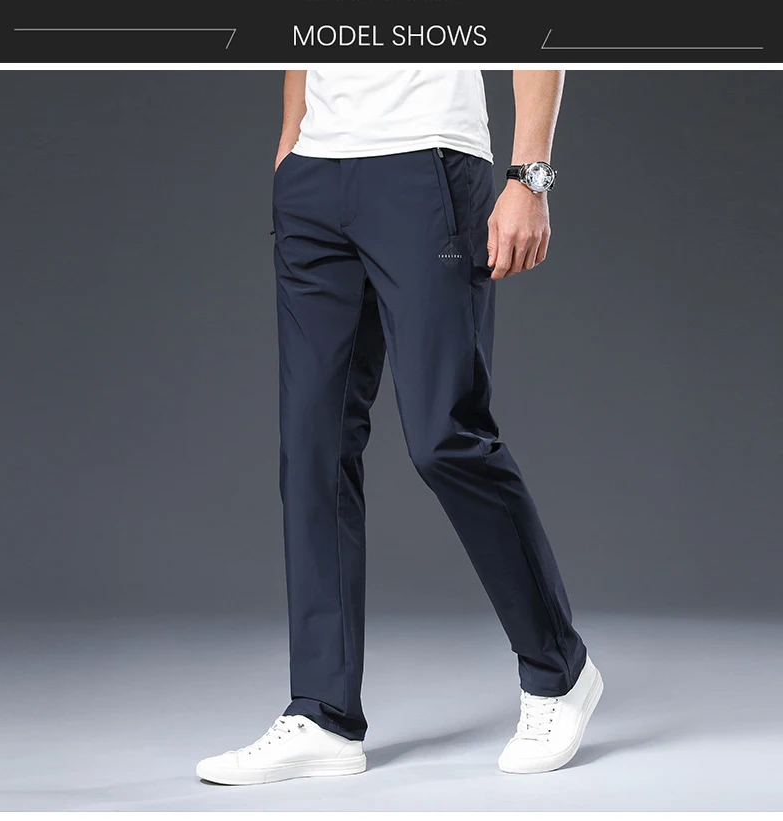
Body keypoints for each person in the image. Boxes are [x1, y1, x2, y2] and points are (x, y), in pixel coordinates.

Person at [196, 69, 602, 786]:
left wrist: (529, 177)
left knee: (446, 435)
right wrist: (292, 141)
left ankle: (558, 669)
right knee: (313, 450)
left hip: (426, 161)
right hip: (315, 176)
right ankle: (323, 712)